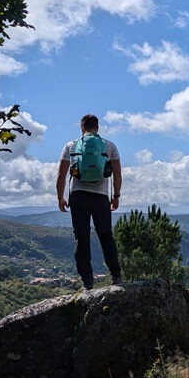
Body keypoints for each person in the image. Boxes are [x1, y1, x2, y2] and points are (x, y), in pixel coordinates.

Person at [56, 114, 122, 289]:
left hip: (78, 196)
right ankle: (116, 276)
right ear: (97, 128)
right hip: (101, 198)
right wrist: (116, 196)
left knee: (82, 239)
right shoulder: (109, 146)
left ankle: (87, 283)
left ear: (82, 128)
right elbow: (117, 174)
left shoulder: (71, 145)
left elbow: (61, 174)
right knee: (106, 236)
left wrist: (60, 197)